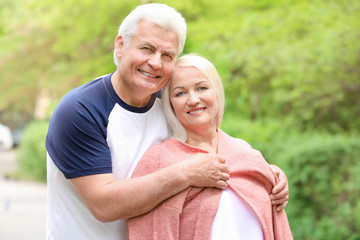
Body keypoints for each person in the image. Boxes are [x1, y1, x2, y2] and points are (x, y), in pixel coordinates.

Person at [45, 3, 289, 240]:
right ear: (120, 46)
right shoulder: (81, 110)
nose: (155, 63)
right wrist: (185, 173)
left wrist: (266, 175)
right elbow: (104, 205)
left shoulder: (170, 101)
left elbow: (213, 143)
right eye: (147, 49)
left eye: (167, 55)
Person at [127, 54, 293, 240]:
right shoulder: (158, 161)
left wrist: (273, 177)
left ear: (216, 92)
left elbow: (275, 218)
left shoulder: (244, 152)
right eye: (180, 93)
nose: (193, 99)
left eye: (202, 88)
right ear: (170, 103)